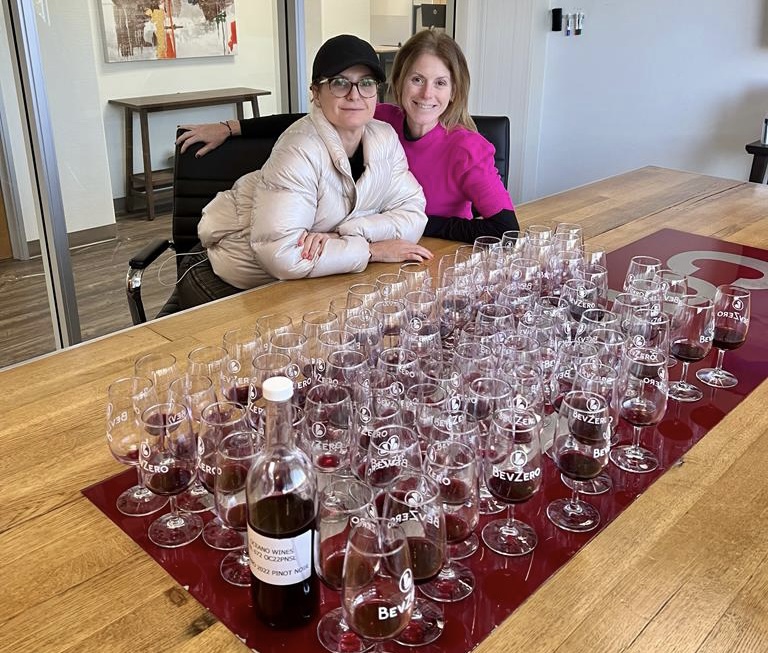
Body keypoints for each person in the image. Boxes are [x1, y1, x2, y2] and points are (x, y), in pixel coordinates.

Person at [176, 30, 519, 244]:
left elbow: (506, 229)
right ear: (398, 82)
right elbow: (308, 121)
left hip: (430, 256)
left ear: (454, 89)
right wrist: (232, 128)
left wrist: (420, 224)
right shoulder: (382, 121)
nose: (427, 93)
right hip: (370, 248)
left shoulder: (468, 149)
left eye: (440, 82)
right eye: (417, 79)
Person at [176, 34, 431, 309]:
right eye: (340, 83)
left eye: (366, 83)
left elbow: (413, 211)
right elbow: (280, 253)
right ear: (316, 93)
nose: (355, 94)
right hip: (230, 275)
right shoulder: (298, 148)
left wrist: (347, 234)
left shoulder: (384, 138)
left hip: (309, 279)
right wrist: (370, 249)